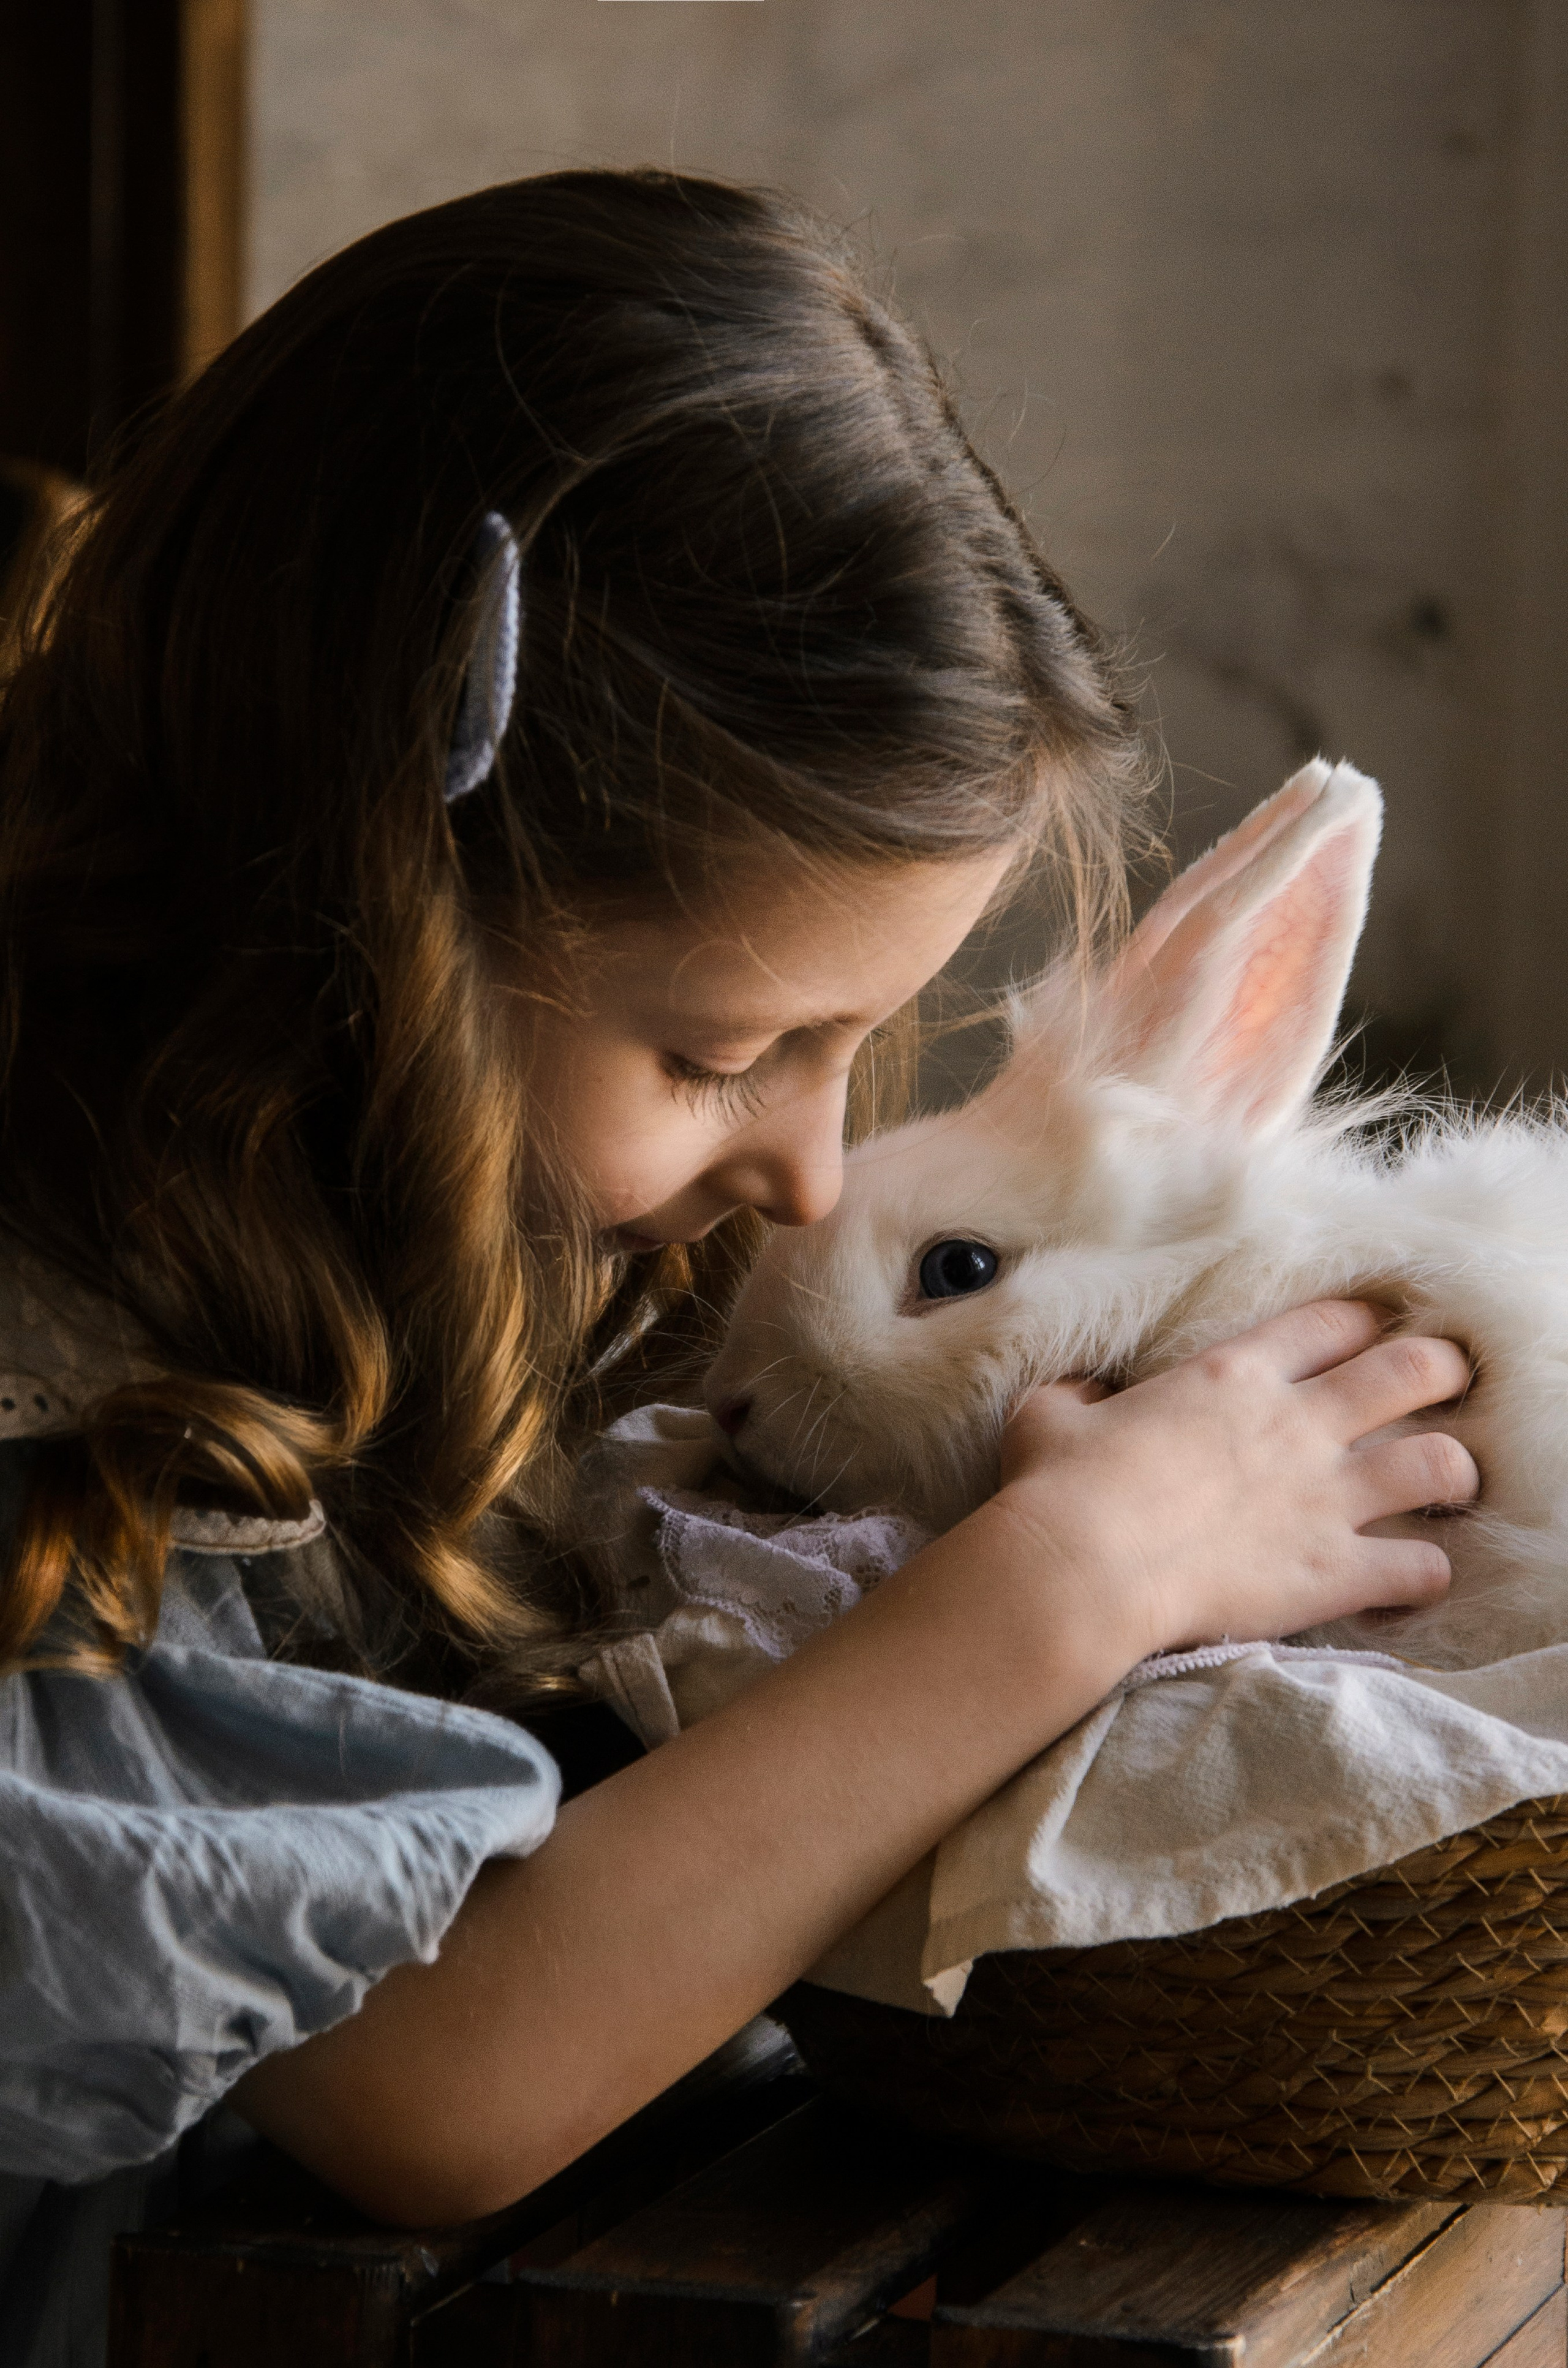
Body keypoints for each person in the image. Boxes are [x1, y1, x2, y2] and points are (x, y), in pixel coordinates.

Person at [0, 167, 1477, 2360]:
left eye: (859, 1050)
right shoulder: (70, 1366)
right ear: (371, 913)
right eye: (723, 1052)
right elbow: (436, 2082)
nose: (806, 1170)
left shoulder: (461, 1248)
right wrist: (1070, 1584)